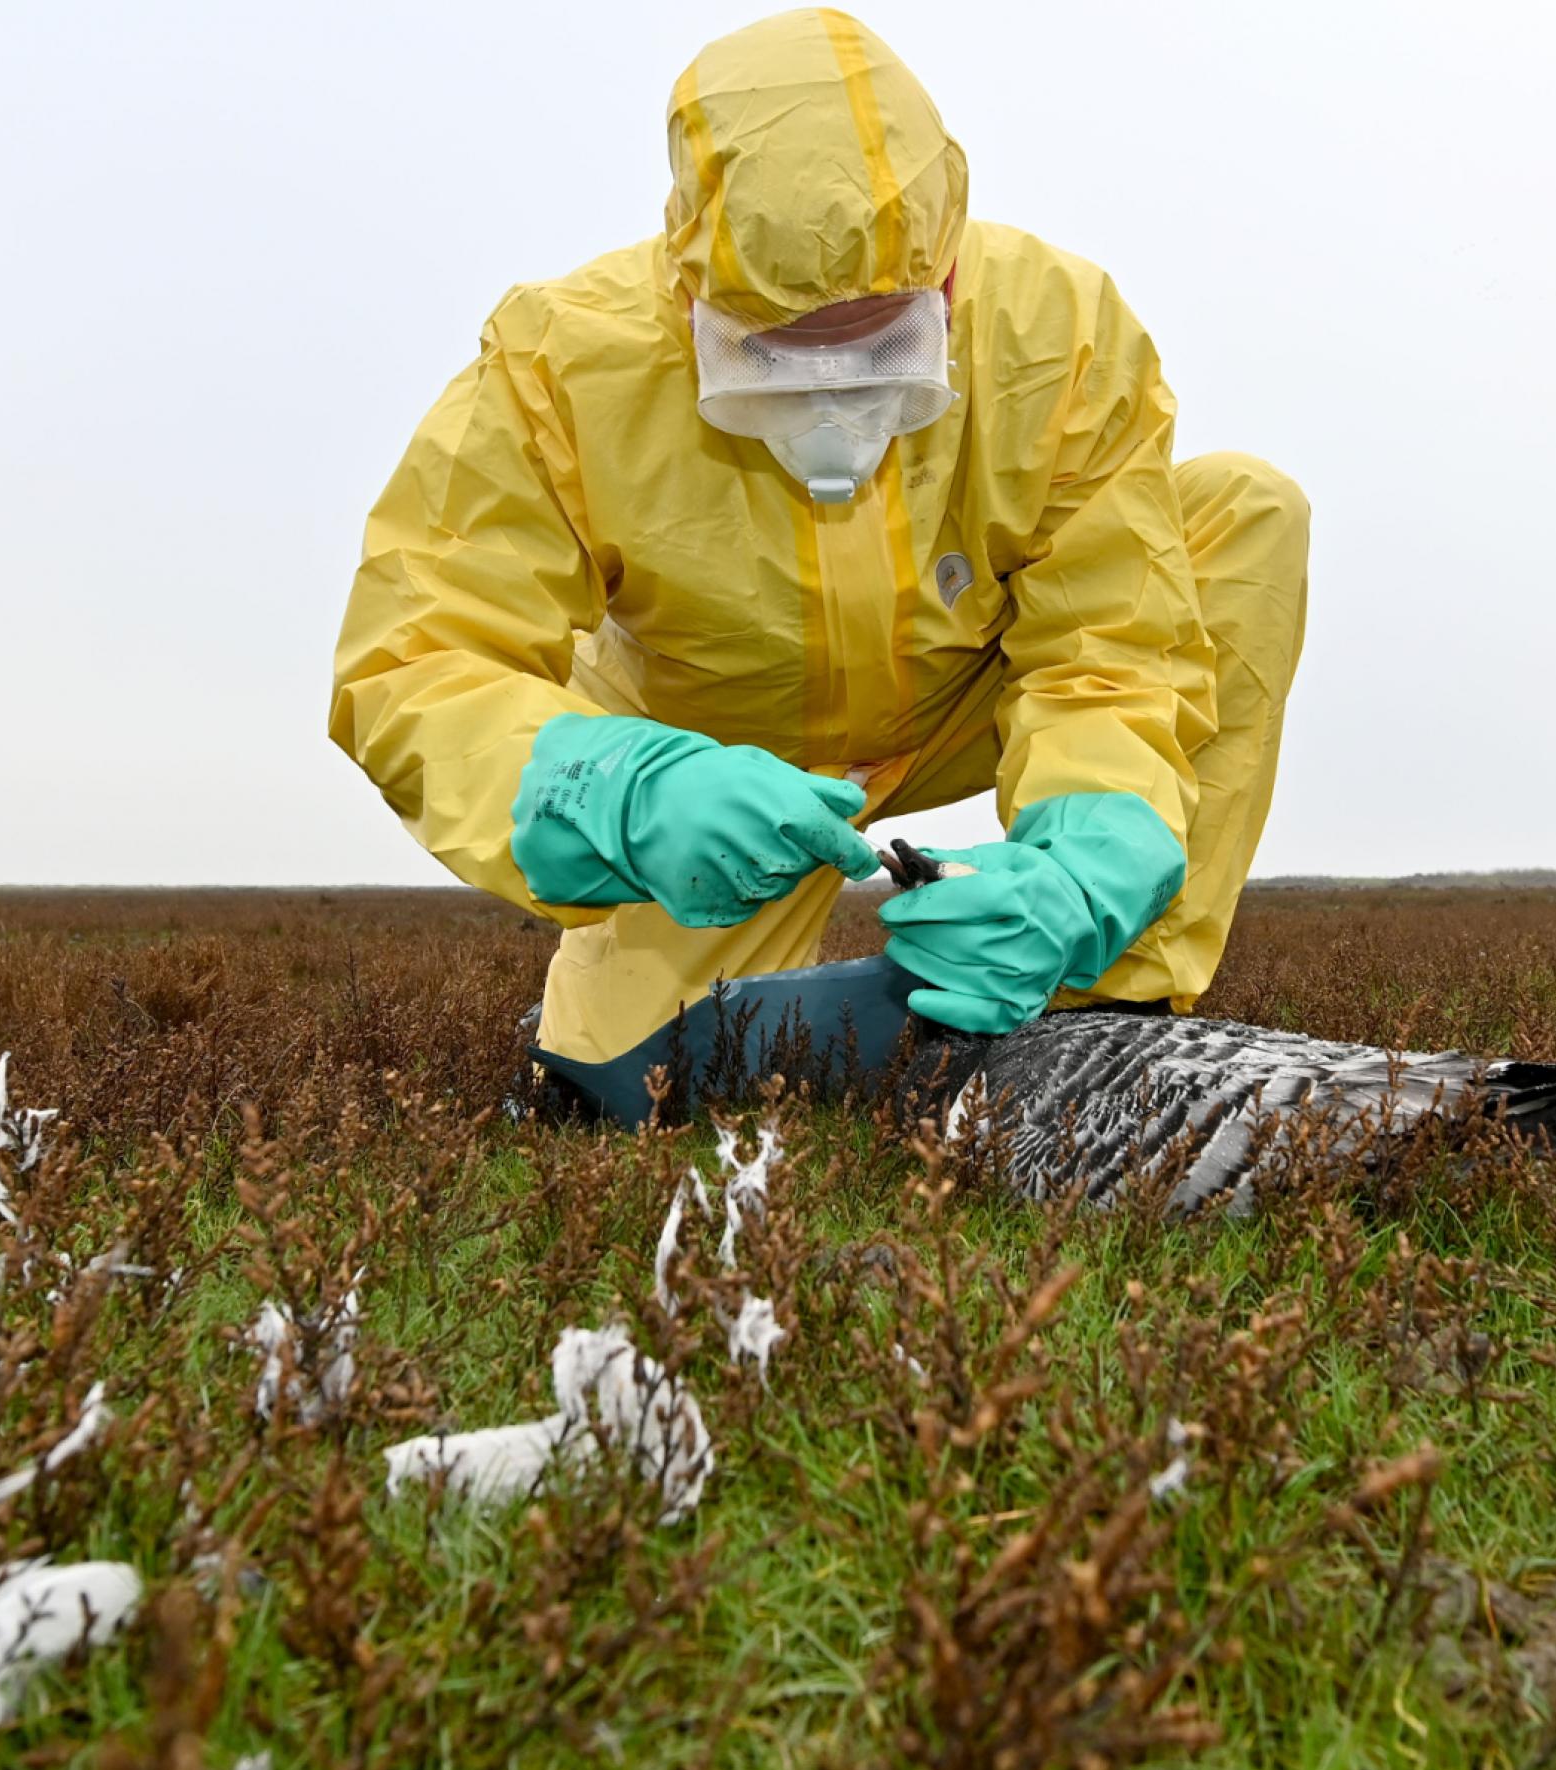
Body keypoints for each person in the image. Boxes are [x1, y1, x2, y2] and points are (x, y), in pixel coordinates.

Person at [331, 8, 1307, 1069]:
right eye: (774, 352)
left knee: (1243, 513)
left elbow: (1111, 652)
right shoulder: (558, 364)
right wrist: (622, 794)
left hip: (961, 695)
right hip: (702, 764)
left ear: (944, 276)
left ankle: (1100, 1013)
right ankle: (625, 993)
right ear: (690, 281)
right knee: (641, 1077)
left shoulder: (1058, 328)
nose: (831, 400)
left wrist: (1084, 872)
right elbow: (420, 660)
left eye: (883, 340)